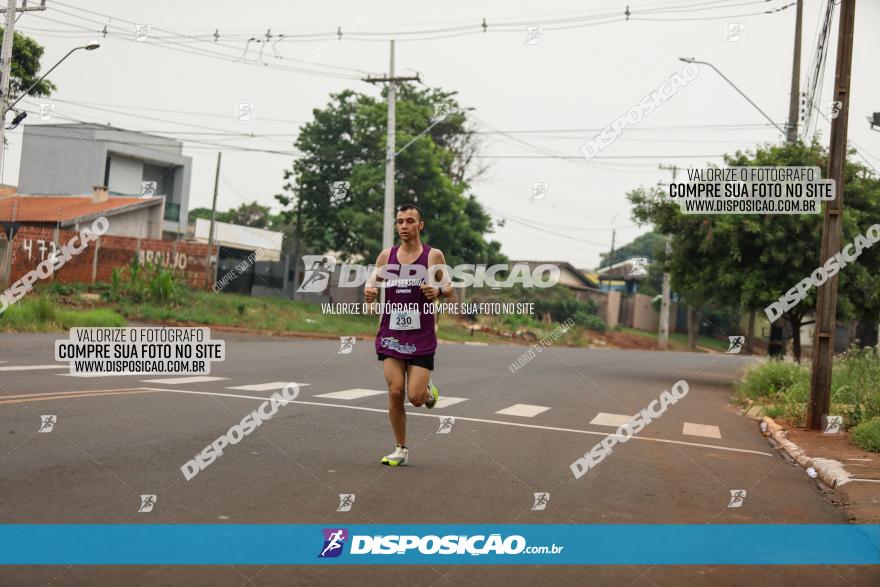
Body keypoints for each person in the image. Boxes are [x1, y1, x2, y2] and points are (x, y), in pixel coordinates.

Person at [364, 204, 453, 466]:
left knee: (414, 398)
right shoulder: (386, 256)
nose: (404, 226)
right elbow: (372, 284)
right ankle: (400, 448)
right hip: (391, 333)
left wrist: (437, 292)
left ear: (420, 225)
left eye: (410, 221)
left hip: (421, 335)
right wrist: (369, 293)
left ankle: (428, 393)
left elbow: (449, 288)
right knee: (395, 390)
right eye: (400, 221)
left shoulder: (432, 256)